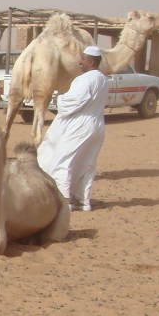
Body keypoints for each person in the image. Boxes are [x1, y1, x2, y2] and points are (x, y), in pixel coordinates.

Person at [37, 45, 109, 211]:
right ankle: (82, 201)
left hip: (80, 126)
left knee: (64, 161)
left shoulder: (86, 79)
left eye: (83, 59)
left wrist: (58, 98)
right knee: (86, 163)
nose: (80, 62)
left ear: (91, 61)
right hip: (96, 125)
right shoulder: (103, 79)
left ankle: (64, 201)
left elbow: (73, 103)